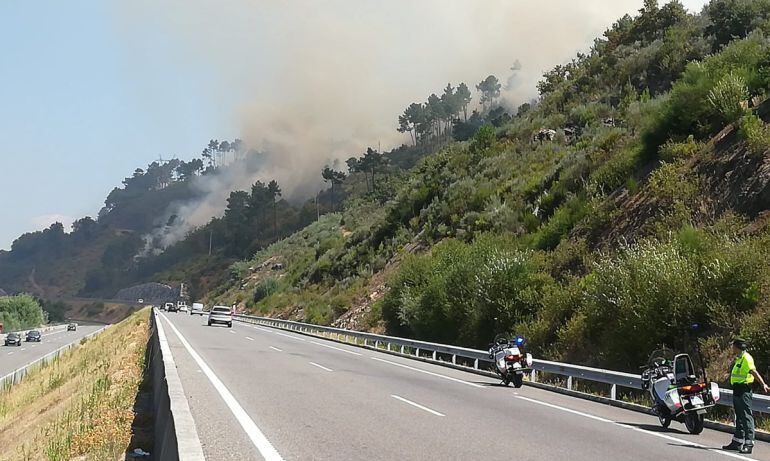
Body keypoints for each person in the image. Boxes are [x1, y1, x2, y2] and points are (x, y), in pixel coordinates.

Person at [722, 338, 770, 454]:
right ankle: (737, 442)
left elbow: (753, 371)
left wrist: (763, 384)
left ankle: (749, 444)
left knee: (746, 417)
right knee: (739, 417)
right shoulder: (739, 358)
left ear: (738, 347)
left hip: (744, 391)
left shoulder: (746, 358)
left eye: (733, 346)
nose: (732, 348)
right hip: (737, 390)